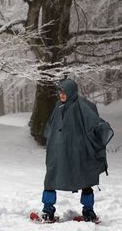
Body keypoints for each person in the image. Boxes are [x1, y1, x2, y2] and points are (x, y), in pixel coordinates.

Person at [40, 78, 114, 222]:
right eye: (60, 92)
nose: (61, 95)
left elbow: (94, 122)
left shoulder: (82, 105)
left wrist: (101, 130)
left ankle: (88, 212)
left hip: (77, 152)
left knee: (85, 180)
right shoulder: (58, 106)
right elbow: (51, 127)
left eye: (64, 92)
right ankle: (47, 210)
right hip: (58, 153)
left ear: (71, 92)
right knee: (50, 179)